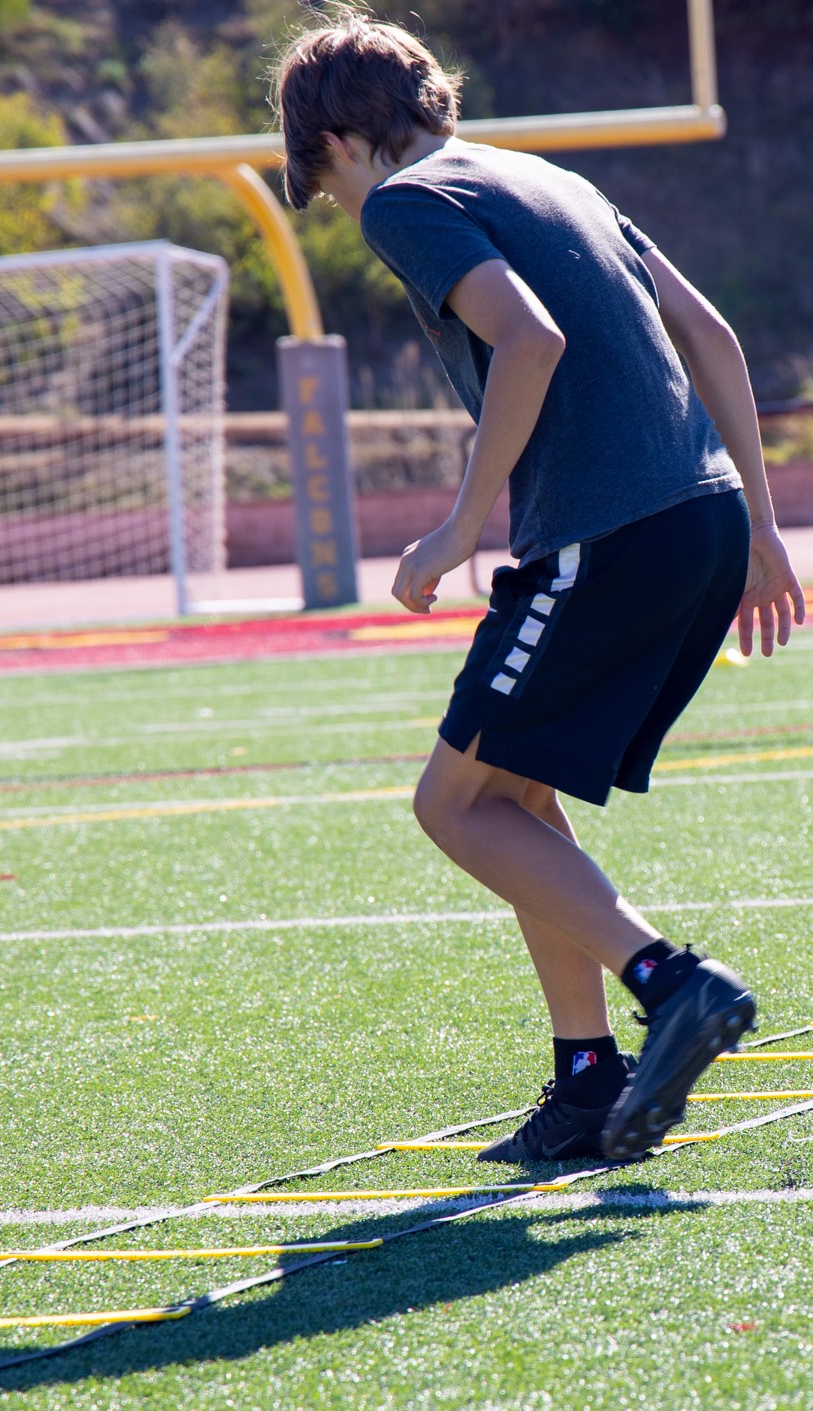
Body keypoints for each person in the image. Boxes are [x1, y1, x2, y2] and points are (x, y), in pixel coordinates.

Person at [271, 9, 805, 1162]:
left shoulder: (412, 200)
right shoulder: (539, 175)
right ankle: (583, 1078)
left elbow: (530, 340)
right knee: (513, 796)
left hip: (607, 532)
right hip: (699, 515)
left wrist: (461, 522)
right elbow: (706, 331)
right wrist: (761, 525)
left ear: (344, 143)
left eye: (325, 183)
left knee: (450, 806)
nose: (343, 207)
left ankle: (674, 984)